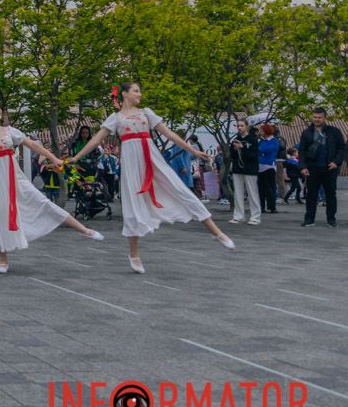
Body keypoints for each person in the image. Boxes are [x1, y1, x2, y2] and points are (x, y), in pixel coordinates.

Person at [69, 82, 234, 274]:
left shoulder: (146, 113)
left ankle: (217, 232)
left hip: (152, 159)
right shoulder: (116, 118)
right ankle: (134, 254)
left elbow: (169, 133)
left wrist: (192, 150)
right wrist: (76, 157)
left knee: (180, 190)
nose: (140, 94)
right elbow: (96, 140)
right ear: (124, 94)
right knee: (132, 206)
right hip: (131, 163)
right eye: (136, 90)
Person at [0, 98, 103, 272]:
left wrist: (54, 158)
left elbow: (33, 145)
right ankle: (3, 260)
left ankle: (83, 229)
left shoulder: (9, 131)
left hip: (14, 177)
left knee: (41, 201)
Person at [298, 107, 344, 227]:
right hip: (312, 168)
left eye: (319, 117)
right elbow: (301, 150)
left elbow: (342, 148)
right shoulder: (306, 132)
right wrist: (302, 166)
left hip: (330, 168)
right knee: (311, 194)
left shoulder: (334, 131)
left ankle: (331, 219)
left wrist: (336, 162)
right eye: (314, 117)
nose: (316, 119)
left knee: (330, 194)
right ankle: (309, 219)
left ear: (325, 118)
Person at [229, 119, 261, 225]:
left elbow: (254, 155)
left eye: (242, 126)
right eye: (238, 126)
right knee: (238, 193)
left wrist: (242, 148)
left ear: (246, 126)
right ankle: (238, 216)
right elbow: (232, 156)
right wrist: (234, 149)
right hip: (237, 169)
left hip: (250, 170)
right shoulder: (236, 139)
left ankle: (255, 217)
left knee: (252, 193)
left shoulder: (253, 139)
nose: (239, 128)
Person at [257, 123, 280, 214]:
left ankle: (272, 207)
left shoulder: (274, 141)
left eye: (262, 130)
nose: (260, 132)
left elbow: (263, 150)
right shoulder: (262, 140)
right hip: (260, 166)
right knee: (260, 188)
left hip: (269, 167)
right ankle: (261, 206)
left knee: (270, 188)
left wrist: (260, 152)